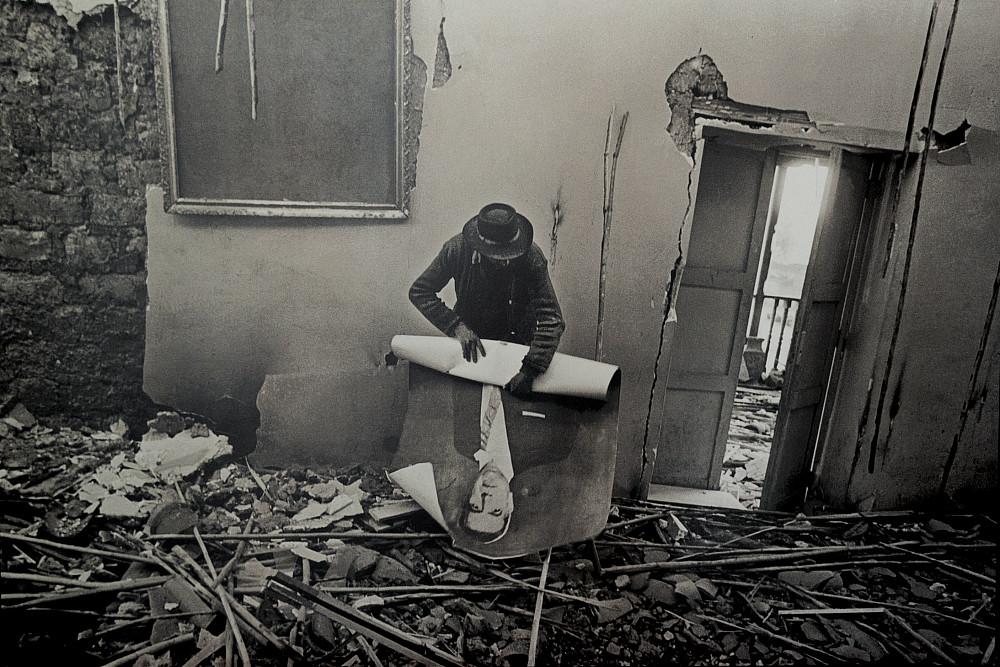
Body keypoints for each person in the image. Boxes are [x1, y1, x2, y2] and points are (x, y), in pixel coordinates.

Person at [409, 202, 565, 398]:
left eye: (511, 252)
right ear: (479, 248)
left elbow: (552, 320)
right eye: (499, 256)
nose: (506, 261)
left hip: (520, 351)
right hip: (474, 349)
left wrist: (531, 369)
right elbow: (420, 291)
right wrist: (456, 327)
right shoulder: (456, 250)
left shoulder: (532, 257)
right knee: (469, 411)